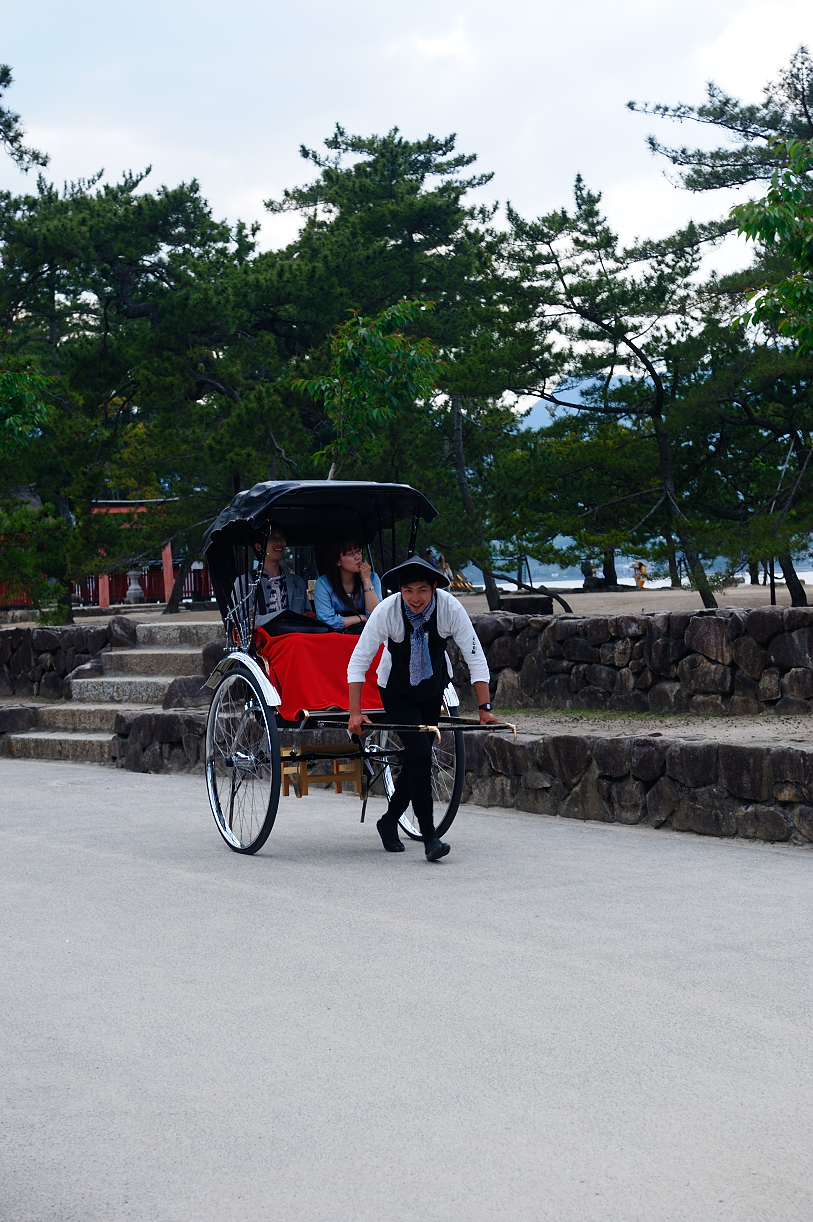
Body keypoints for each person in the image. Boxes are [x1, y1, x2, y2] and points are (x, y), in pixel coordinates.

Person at [347, 556, 499, 861]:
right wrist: (355, 712)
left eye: (422, 591)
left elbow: (475, 656)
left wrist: (484, 708)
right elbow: (358, 661)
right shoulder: (386, 611)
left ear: (433, 588)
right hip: (396, 690)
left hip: (433, 689)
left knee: (417, 757)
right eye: (408, 591)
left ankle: (388, 821)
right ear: (399, 591)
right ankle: (430, 837)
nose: (415, 599)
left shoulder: (449, 608)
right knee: (418, 754)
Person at [232, 521, 308, 629]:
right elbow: (247, 622)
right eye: (272, 538)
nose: (279, 543)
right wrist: (282, 616)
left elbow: (308, 617)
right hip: (266, 641)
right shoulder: (244, 582)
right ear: (258, 546)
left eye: (281, 538)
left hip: (297, 638)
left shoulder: (297, 582)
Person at [314, 538, 382, 633]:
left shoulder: (372, 578)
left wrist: (366, 581)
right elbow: (327, 620)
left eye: (358, 551)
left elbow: (377, 616)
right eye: (351, 554)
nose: (358, 557)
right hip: (335, 637)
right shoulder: (323, 583)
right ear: (337, 561)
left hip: (366, 636)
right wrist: (360, 618)